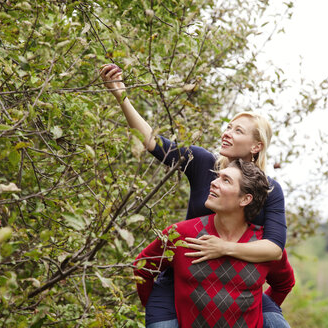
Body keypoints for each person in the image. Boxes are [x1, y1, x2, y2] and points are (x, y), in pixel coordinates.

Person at [100, 64, 291, 327]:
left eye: (238, 131)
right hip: (184, 277)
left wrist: (224, 248)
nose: (226, 133)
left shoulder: (270, 190)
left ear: (257, 146)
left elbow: (274, 249)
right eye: (228, 127)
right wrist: (120, 94)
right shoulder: (203, 163)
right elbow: (153, 142)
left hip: (234, 281)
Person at [133, 160, 295, 327]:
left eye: (226, 180)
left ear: (245, 199)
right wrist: (157, 312)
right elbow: (142, 268)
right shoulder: (180, 235)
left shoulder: (263, 247)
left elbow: (284, 284)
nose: (213, 182)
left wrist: (259, 314)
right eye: (218, 177)